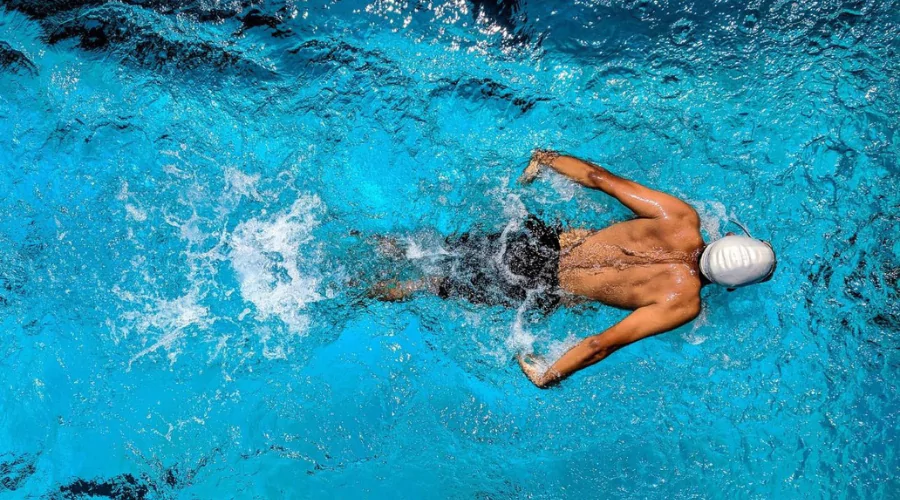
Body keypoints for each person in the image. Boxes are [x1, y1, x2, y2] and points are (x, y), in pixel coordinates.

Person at [370, 151, 776, 388]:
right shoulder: (682, 302)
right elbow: (602, 344)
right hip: (538, 286)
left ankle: (371, 241)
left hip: (535, 241)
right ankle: (358, 289)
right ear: (731, 286)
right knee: (430, 284)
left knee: (429, 249)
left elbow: (600, 179)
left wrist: (546, 159)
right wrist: (550, 374)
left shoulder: (681, 217)